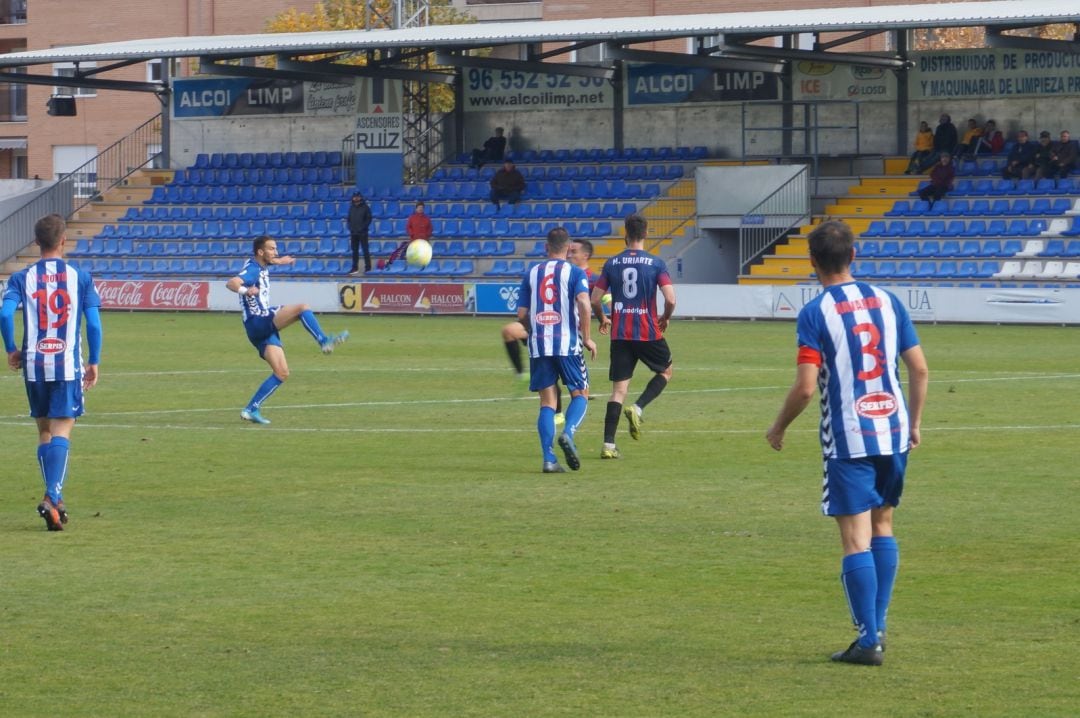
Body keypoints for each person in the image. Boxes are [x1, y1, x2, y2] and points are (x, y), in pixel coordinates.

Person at [765, 220, 928, 667]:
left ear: (812, 262)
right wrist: (913, 424)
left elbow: (804, 388)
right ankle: (878, 629)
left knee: (855, 540)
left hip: (850, 437)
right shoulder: (889, 302)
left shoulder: (815, 313)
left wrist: (778, 427)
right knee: (884, 526)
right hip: (892, 430)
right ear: (853, 256)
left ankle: (868, 639)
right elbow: (919, 369)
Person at [1, 214, 102, 531]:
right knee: (63, 429)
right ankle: (52, 495)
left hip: (33, 366)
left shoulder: (22, 277)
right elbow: (95, 324)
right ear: (63, 241)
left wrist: (11, 348)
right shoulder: (80, 277)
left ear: (36, 242)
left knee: (44, 431)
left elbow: (4, 314)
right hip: (66, 365)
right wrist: (94, 361)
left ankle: (56, 503)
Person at [226, 236, 349, 425]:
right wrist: (245, 291)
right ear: (261, 252)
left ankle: (251, 409)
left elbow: (267, 261)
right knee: (302, 308)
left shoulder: (258, 264)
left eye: (276, 249)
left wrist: (279, 261)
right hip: (259, 319)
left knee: (282, 372)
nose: (276, 252)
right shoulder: (252, 270)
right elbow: (232, 283)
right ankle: (323, 340)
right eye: (272, 249)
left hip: (257, 329)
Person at [590, 213, 676, 460]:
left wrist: (603, 318)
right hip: (647, 331)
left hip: (619, 333)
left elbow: (595, 299)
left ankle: (608, 445)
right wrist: (666, 317)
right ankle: (638, 408)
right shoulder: (656, 263)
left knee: (618, 390)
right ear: (646, 234)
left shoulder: (612, 263)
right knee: (666, 371)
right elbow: (670, 298)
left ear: (625, 234)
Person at [517, 226, 596, 473]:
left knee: (547, 402)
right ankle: (569, 434)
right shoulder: (574, 272)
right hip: (567, 343)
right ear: (568, 248)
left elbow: (521, 314)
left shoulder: (532, 273)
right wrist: (587, 337)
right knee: (580, 394)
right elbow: (584, 302)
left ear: (546, 247)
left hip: (539, 344)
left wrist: (534, 332)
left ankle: (549, 459)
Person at [387, 200, 433, 265]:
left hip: (424, 241)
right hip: (414, 240)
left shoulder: (427, 218)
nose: (420, 209)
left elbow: (430, 228)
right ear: (416, 208)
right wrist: (412, 234)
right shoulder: (412, 218)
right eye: (419, 207)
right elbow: (408, 227)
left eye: (422, 208)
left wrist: (427, 235)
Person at [346, 191, 373, 275]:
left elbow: (369, 219)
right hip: (353, 233)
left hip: (363, 233)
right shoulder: (351, 207)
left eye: (358, 196)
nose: (356, 198)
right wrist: (350, 227)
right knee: (354, 251)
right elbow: (349, 219)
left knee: (365, 250)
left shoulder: (365, 207)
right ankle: (354, 268)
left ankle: (368, 268)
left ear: (360, 197)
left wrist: (363, 227)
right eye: (355, 197)